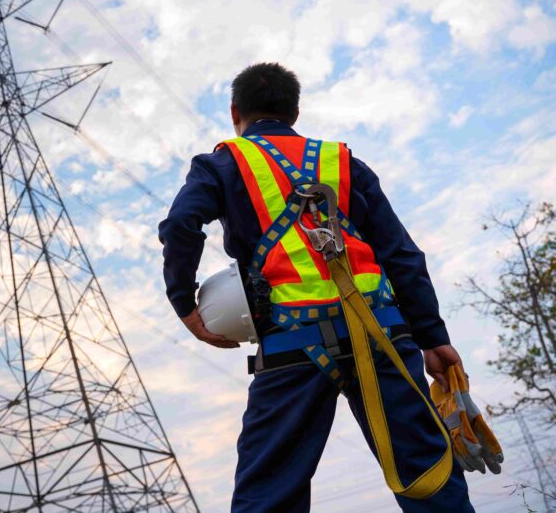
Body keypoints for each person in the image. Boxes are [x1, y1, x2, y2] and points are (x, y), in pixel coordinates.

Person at [157, 62, 474, 512]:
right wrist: (433, 337)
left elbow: (181, 225)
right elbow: (400, 252)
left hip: (293, 347)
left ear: (235, 112)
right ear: (295, 110)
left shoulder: (224, 163)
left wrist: (183, 302)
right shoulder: (343, 162)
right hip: (383, 335)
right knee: (431, 476)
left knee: (268, 495)